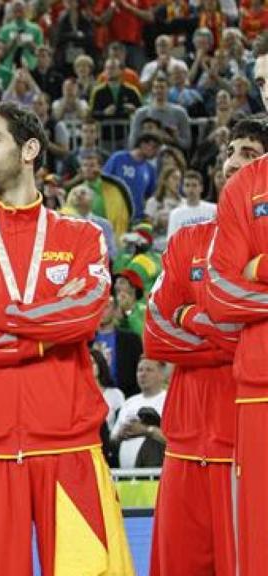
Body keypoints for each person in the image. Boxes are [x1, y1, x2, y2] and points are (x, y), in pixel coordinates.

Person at [0, 102, 133, 574]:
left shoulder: (82, 235)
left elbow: (82, 317)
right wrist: (39, 338)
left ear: (30, 149)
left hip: (68, 445)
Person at [141, 127, 261, 570]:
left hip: (242, 442)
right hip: (184, 442)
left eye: (248, 153)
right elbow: (154, 332)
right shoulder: (186, 240)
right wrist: (225, 329)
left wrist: (188, 316)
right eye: (229, 152)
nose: (231, 162)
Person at [205, 53, 268, 575]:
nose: (267, 90)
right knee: (259, 536)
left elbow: (242, 279)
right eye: (263, 82)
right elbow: (223, 293)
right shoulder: (245, 187)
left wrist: (259, 263)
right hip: (260, 383)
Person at [110, 359, 168, 468]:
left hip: (158, 474)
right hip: (126, 478)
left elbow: (176, 442)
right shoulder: (129, 402)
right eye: (139, 370)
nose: (143, 374)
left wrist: (146, 431)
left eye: (149, 370)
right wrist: (121, 433)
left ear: (161, 375)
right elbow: (113, 439)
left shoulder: (170, 401)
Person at [166, 170, 217, 238]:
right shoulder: (175, 214)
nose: (191, 189)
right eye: (187, 185)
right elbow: (171, 241)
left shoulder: (213, 209)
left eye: (194, 185)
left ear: (201, 188)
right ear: (183, 188)